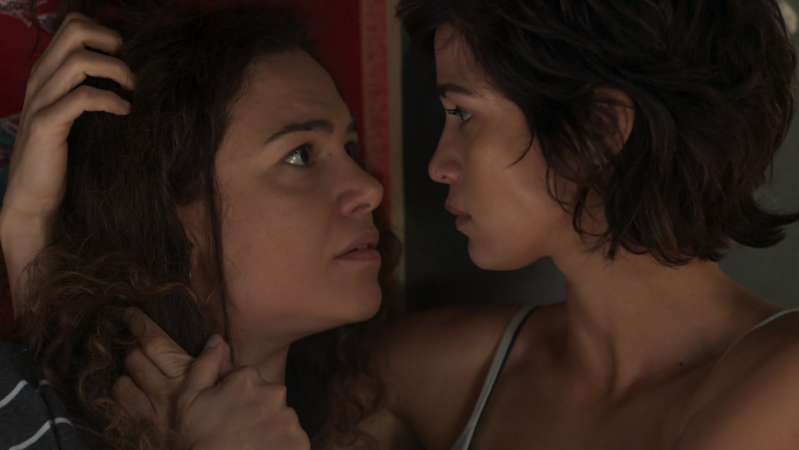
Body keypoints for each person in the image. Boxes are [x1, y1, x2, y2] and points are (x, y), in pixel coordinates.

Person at [6, 0, 799, 449]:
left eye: (462, 114)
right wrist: (31, 235)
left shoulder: (781, 388)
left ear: (598, 132)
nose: (433, 165)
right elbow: (166, 372)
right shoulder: (433, 367)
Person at [0, 1, 395, 449]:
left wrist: (28, 233)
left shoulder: (384, 396)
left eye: (349, 148)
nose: (370, 188)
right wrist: (28, 224)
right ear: (165, 218)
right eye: (299, 155)